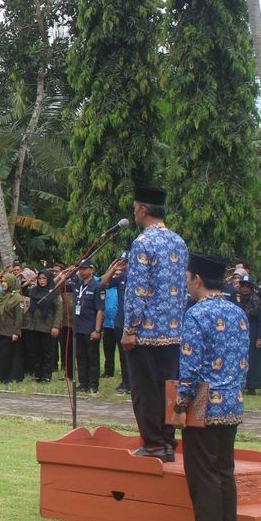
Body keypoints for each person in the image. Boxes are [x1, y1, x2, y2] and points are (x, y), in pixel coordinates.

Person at [174, 253, 247, 521]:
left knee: (202, 471)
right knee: (224, 469)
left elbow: (190, 367)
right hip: (232, 402)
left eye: (187, 278)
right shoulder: (238, 313)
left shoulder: (196, 315)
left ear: (198, 279)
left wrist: (180, 404)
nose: (186, 284)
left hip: (203, 403)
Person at [121, 184, 189, 463]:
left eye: (135, 208)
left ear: (143, 210)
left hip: (146, 332)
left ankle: (152, 444)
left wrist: (130, 329)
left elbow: (138, 290)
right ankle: (168, 443)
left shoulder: (142, 243)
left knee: (145, 390)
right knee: (168, 389)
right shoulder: (179, 242)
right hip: (173, 330)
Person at [70, 260, 105, 394]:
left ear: (91, 270)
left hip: (90, 327)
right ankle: (83, 382)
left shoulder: (97, 287)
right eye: (80, 268)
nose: (81, 271)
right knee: (80, 356)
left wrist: (97, 330)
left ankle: (93, 384)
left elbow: (100, 310)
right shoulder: (78, 285)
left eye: (84, 268)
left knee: (92, 357)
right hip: (78, 327)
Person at [20, 270, 61, 383]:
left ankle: (47, 375)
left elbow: (58, 310)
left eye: (44, 278)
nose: (41, 281)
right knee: (36, 351)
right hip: (34, 326)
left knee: (47, 352)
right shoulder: (34, 291)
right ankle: (38, 374)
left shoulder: (53, 292)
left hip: (47, 326)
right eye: (40, 278)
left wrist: (56, 326)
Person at [231, 276, 261, 395]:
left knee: (253, 359)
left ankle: (252, 386)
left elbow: (260, 320)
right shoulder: (236, 298)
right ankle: (239, 384)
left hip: (252, 332)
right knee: (238, 358)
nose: (245, 289)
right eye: (243, 286)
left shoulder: (256, 300)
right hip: (238, 332)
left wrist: (260, 337)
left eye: (247, 286)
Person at [100, 257, 128, 393]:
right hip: (120, 322)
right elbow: (103, 283)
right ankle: (126, 382)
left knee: (131, 356)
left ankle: (132, 383)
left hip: (133, 322)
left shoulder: (138, 277)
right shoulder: (121, 278)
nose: (123, 265)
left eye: (125, 262)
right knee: (123, 355)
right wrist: (113, 268)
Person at [0, 273, 26, 383]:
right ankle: (1, 375)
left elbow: (19, 317)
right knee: (1, 354)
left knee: (10, 354)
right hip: (0, 329)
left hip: (10, 330)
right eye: (2, 281)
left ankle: (11, 376)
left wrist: (16, 332)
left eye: (5, 282)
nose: (3, 284)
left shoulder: (17, 298)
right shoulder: (1, 295)